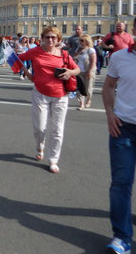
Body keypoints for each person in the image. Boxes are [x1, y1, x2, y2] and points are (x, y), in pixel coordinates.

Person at [103, 14, 136, 254]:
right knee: (121, 182)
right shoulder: (119, 57)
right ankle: (122, 237)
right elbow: (108, 86)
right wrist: (109, 113)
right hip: (124, 126)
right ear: (135, 31)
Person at [18, 26, 80, 174]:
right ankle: (40, 146)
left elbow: (77, 69)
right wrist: (27, 74)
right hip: (40, 94)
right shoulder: (35, 51)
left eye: (53, 37)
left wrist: (70, 72)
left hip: (60, 95)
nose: (50, 40)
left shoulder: (64, 54)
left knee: (57, 130)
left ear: (58, 39)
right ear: (42, 38)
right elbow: (18, 59)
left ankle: (53, 159)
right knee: (39, 127)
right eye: (47, 37)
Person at [74, 34, 97, 110]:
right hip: (79, 71)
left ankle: (88, 101)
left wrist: (89, 71)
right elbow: (75, 59)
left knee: (88, 88)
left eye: (82, 40)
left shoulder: (91, 50)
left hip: (88, 70)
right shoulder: (78, 49)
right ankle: (81, 104)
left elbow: (93, 62)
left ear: (87, 41)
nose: (80, 42)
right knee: (80, 88)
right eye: (79, 40)